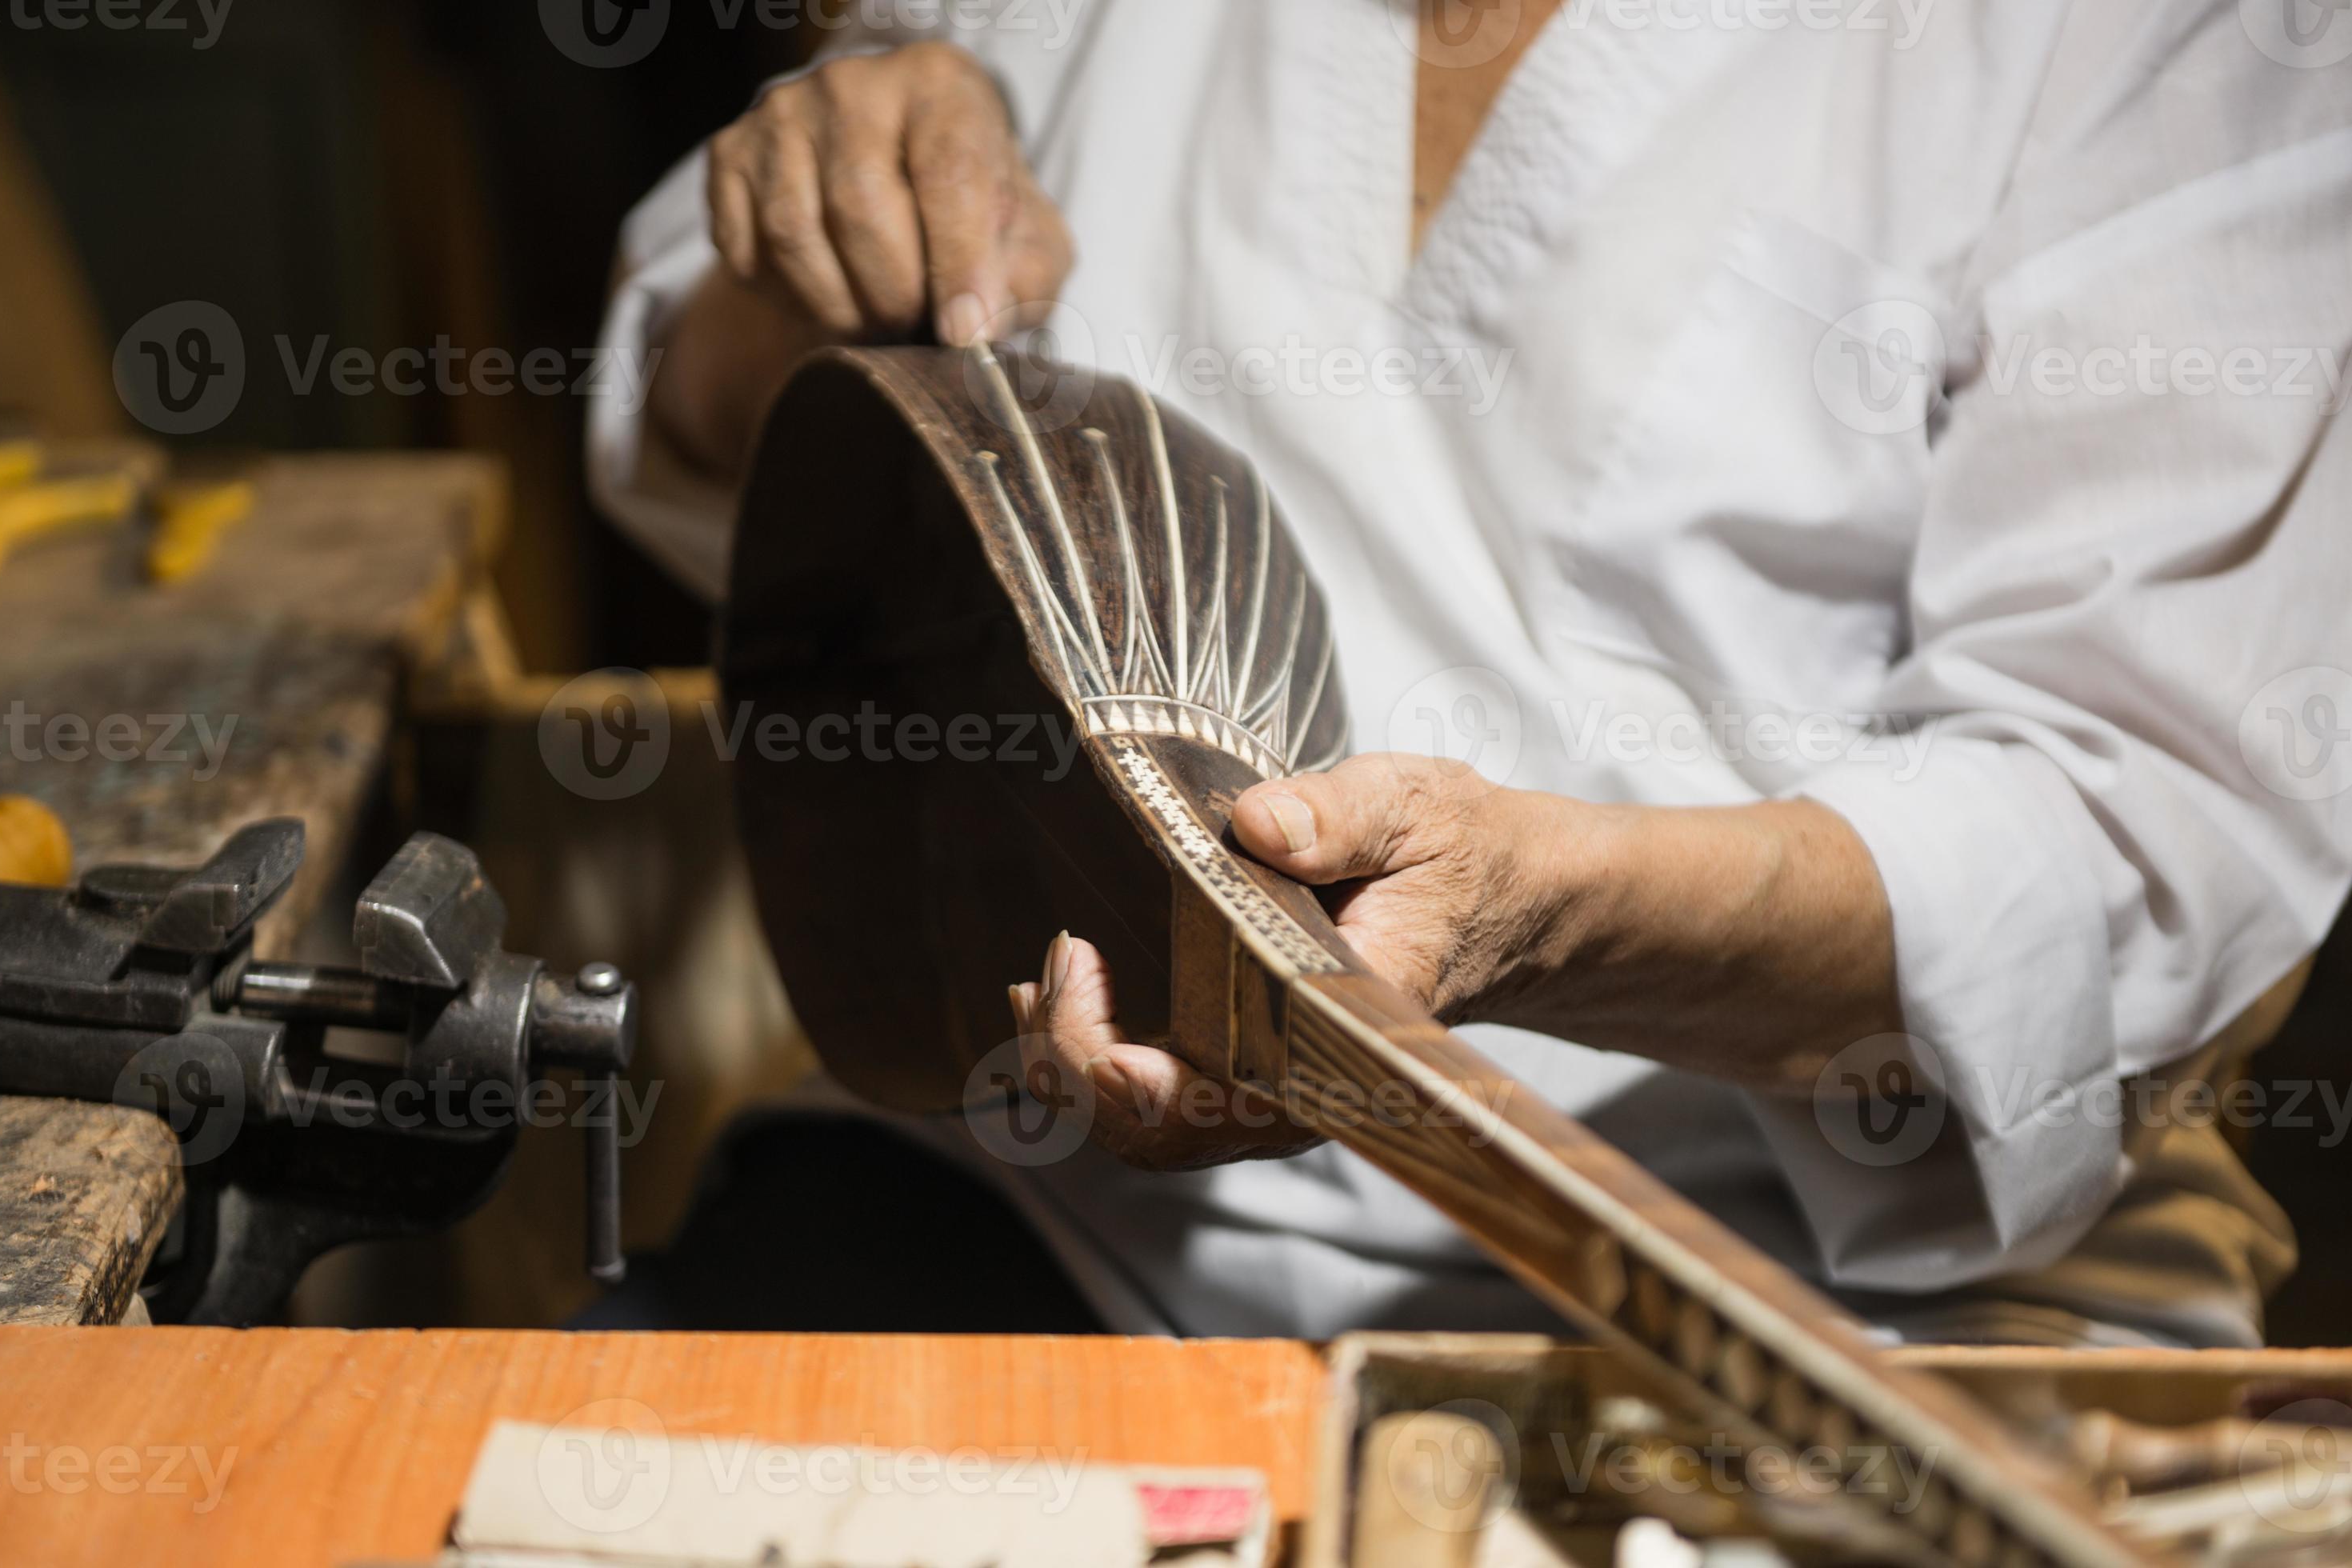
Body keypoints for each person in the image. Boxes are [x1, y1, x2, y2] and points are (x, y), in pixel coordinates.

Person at [589, 0, 2352, 1348]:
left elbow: (2139, 832)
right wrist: (816, 254)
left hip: (1801, 1291)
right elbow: (713, 422)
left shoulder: (2170, 45)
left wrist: (1531, 910)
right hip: (1051, 1199)